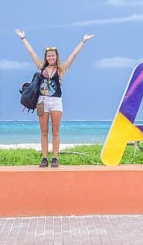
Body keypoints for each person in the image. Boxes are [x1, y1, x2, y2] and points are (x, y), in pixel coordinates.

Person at [14, 29, 94, 167]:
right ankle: (44, 158)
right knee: (43, 132)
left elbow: (73, 55)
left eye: (53, 56)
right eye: (49, 56)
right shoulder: (41, 67)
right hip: (41, 103)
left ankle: (55, 158)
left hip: (56, 102)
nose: (51, 58)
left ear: (56, 57)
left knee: (55, 132)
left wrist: (83, 41)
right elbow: (31, 52)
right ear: (46, 57)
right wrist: (23, 38)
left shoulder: (61, 69)